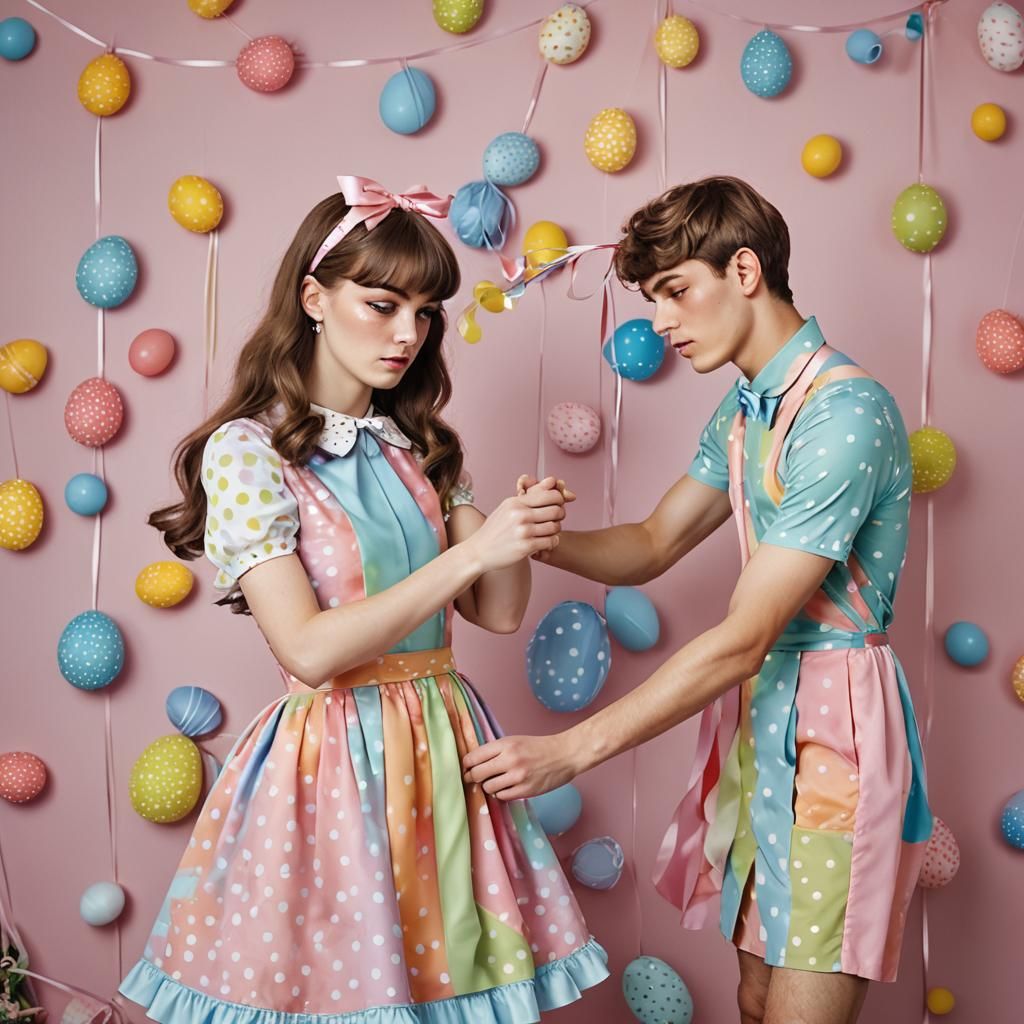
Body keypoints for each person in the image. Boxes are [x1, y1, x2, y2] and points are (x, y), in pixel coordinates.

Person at [118, 175, 609, 1022]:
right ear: (313, 296)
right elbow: (307, 650)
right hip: (333, 763)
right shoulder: (248, 451)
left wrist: (511, 532)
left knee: (446, 991)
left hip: (443, 749)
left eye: (424, 313)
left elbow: (497, 612)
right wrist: (474, 553)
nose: (408, 334)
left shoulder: (414, 444)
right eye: (382, 305)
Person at [462, 176, 932, 1024]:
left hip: (838, 736)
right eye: (653, 300)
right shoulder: (745, 408)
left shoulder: (845, 413)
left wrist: (572, 752)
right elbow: (649, 544)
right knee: (755, 997)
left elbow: (744, 639)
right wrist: (522, 534)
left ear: (744, 269)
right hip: (764, 729)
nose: (663, 323)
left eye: (677, 292)